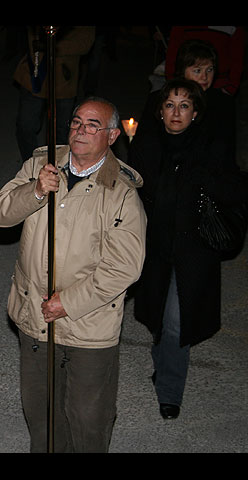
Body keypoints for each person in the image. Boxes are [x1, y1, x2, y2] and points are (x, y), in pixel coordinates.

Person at [0, 97, 147, 452]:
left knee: (88, 421)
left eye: (93, 125)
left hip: (89, 327)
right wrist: (34, 192)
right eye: (76, 122)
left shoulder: (120, 192)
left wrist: (68, 302)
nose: (80, 130)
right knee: (42, 417)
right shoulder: (39, 165)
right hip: (35, 318)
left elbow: (124, 266)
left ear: (112, 135)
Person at [128, 79, 246, 420]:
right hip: (155, 247)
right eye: (169, 105)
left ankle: (169, 391)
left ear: (195, 113)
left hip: (194, 250)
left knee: (178, 322)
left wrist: (202, 178)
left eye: (184, 106)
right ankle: (165, 357)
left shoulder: (212, 146)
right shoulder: (146, 146)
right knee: (158, 320)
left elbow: (236, 187)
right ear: (159, 112)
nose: (176, 112)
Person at [137, 39, 236, 160]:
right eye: (197, 71)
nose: (204, 77)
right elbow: (144, 141)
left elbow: (225, 148)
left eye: (209, 70)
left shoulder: (222, 103)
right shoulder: (161, 97)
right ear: (183, 70)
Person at [13, 26, 95, 161]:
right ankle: (31, 165)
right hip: (34, 72)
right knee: (25, 125)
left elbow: (85, 42)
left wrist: (51, 46)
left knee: (61, 132)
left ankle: (56, 167)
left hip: (63, 79)